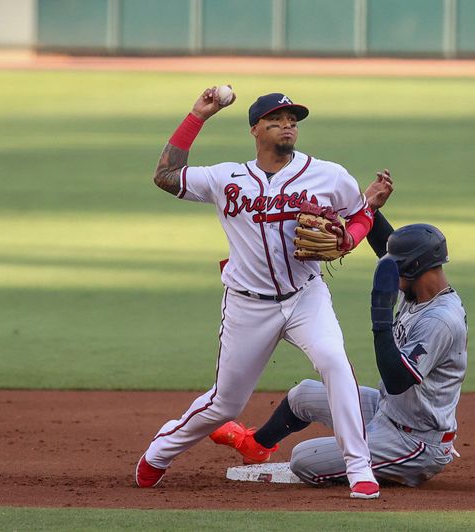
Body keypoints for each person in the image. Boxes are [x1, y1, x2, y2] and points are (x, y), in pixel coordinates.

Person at [134, 86, 394, 500]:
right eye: (276, 119)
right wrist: (197, 115)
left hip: (305, 296)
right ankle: (158, 453)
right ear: (256, 129)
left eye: (292, 119)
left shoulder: (328, 174)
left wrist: (360, 225)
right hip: (246, 305)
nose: (287, 124)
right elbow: (165, 176)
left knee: (334, 361)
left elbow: (357, 217)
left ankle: (359, 467)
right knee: (225, 405)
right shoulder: (225, 177)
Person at [209, 216, 468, 489]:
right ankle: (256, 445)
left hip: (416, 440)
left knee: (304, 460)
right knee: (303, 395)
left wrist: (380, 315)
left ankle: (387, 468)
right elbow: (388, 248)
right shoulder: (419, 288)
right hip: (389, 412)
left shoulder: (440, 320)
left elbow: (397, 380)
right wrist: (369, 210)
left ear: (415, 268)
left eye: (397, 267)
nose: (391, 274)